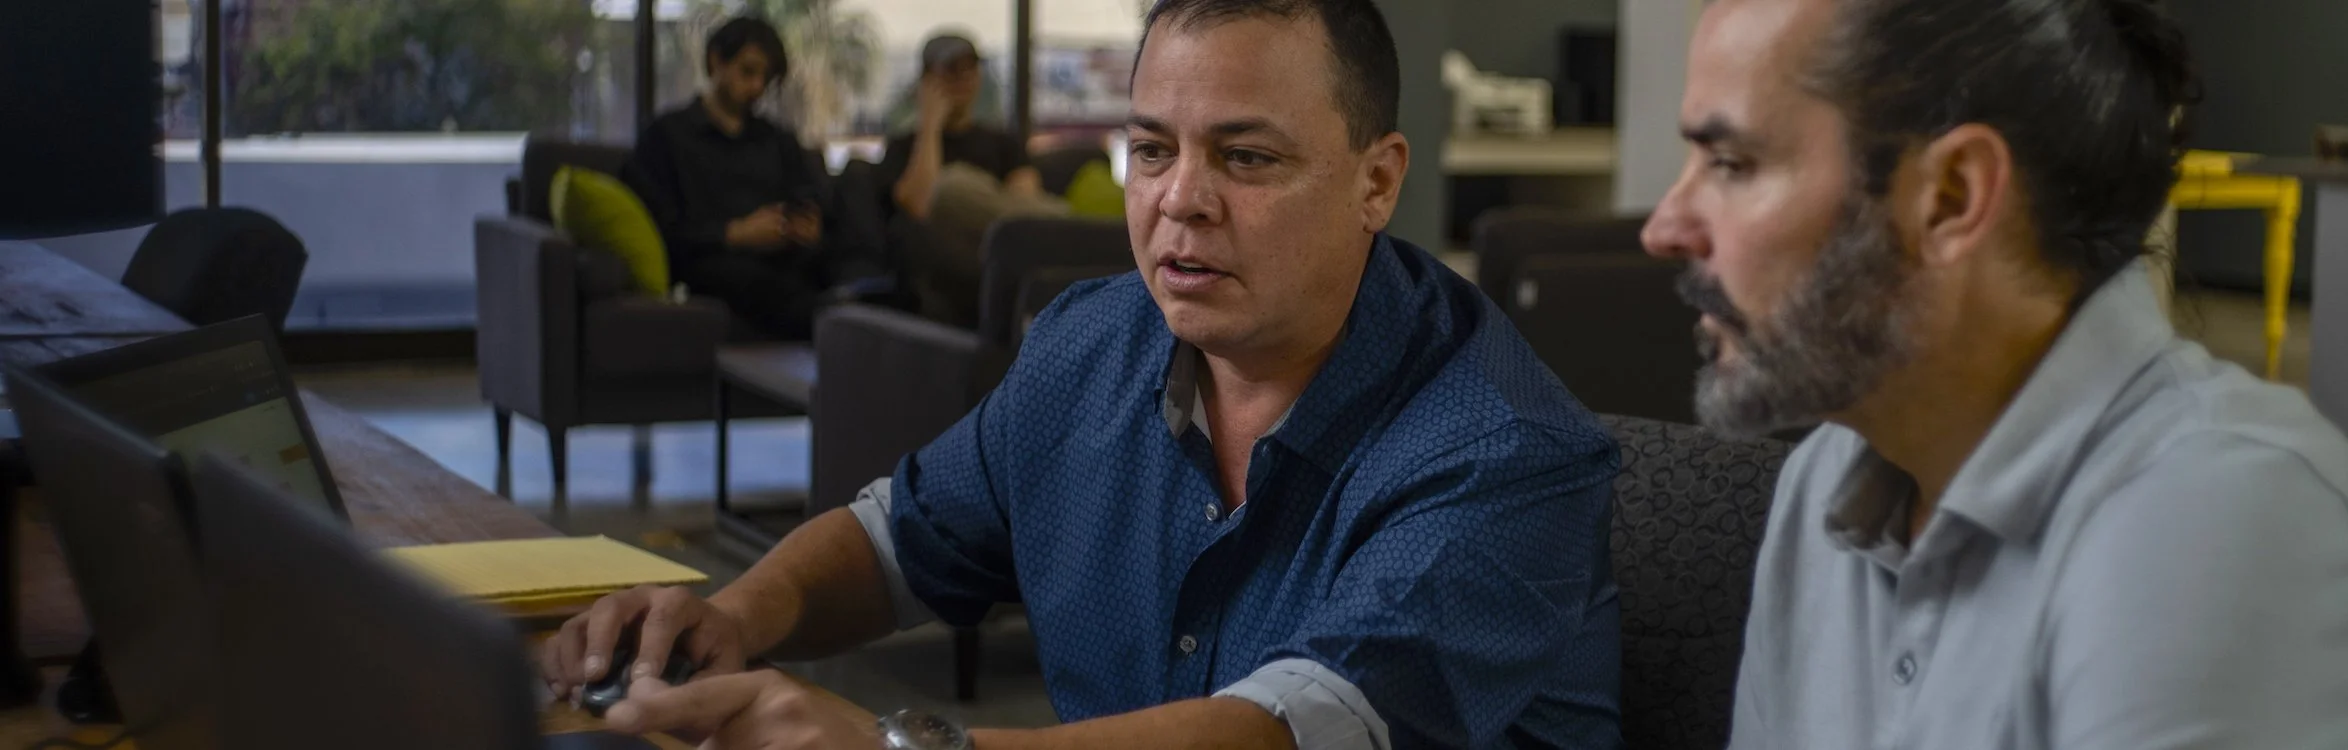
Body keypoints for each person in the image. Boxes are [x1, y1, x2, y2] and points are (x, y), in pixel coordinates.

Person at [544, 1, 1625, 748]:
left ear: (1377, 181)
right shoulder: (1088, 342)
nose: (1180, 200)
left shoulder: (1502, 447)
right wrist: (731, 619)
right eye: (1151, 150)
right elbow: (900, 541)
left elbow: (1288, 732)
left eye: (1246, 158)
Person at [1643, 0, 2348, 747]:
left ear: (1951, 196)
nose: (1664, 227)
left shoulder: (2222, 521)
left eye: (1731, 164)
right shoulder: (1824, 482)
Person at [623, 17, 856, 340]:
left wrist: (808, 225)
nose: (757, 87)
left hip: (787, 259)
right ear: (716, 61)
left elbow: (812, 197)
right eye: (748, 72)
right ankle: (843, 325)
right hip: (714, 262)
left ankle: (864, 311)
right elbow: (662, 227)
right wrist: (735, 233)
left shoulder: (777, 140)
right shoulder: (666, 136)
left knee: (845, 248)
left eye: (766, 78)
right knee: (746, 278)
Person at [875, 32, 1056, 326]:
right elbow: (921, 205)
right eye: (950, 70)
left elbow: (1025, 211)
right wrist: (930, 125)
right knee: (950, 189)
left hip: (996, 245)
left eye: (969, 69)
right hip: (944, 257)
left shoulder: (1002, 142)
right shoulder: (904, 147)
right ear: (927, 82)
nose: (962, 78)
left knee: (967, 192)